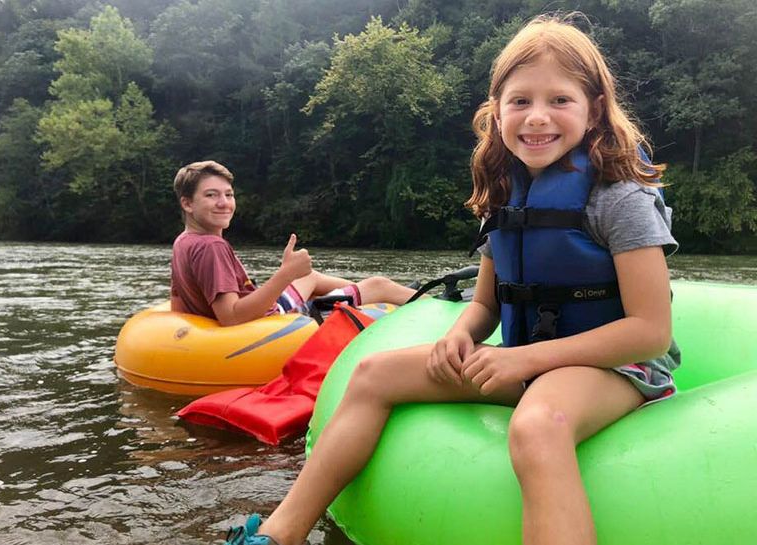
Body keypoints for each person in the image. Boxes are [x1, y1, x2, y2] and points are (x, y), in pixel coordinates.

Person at [223, 14, 680, 545]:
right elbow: (486, 304)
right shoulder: (504, 193)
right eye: (519, 101)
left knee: (536, 426)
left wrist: (525, 358)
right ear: (496, 110)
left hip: (619, 367)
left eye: (559, 100)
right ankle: (278, 535)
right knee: (372, 374)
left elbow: (650, 331)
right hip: (525, 359)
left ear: (594, 108)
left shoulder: (619, 197)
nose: (537, 117)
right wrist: (460, 335)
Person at [170, 160, 417, 326]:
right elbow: (231, 317)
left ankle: (371, 293)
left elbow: (178, 301)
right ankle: (437, 304)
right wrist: (285, 274)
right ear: (187, 203)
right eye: (211, 195)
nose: (224, 202)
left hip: (261, 315)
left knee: (311, 277)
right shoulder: (212, 247)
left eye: (229, 194)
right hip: (270, 323)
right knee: (380, 284)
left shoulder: (184, 241)